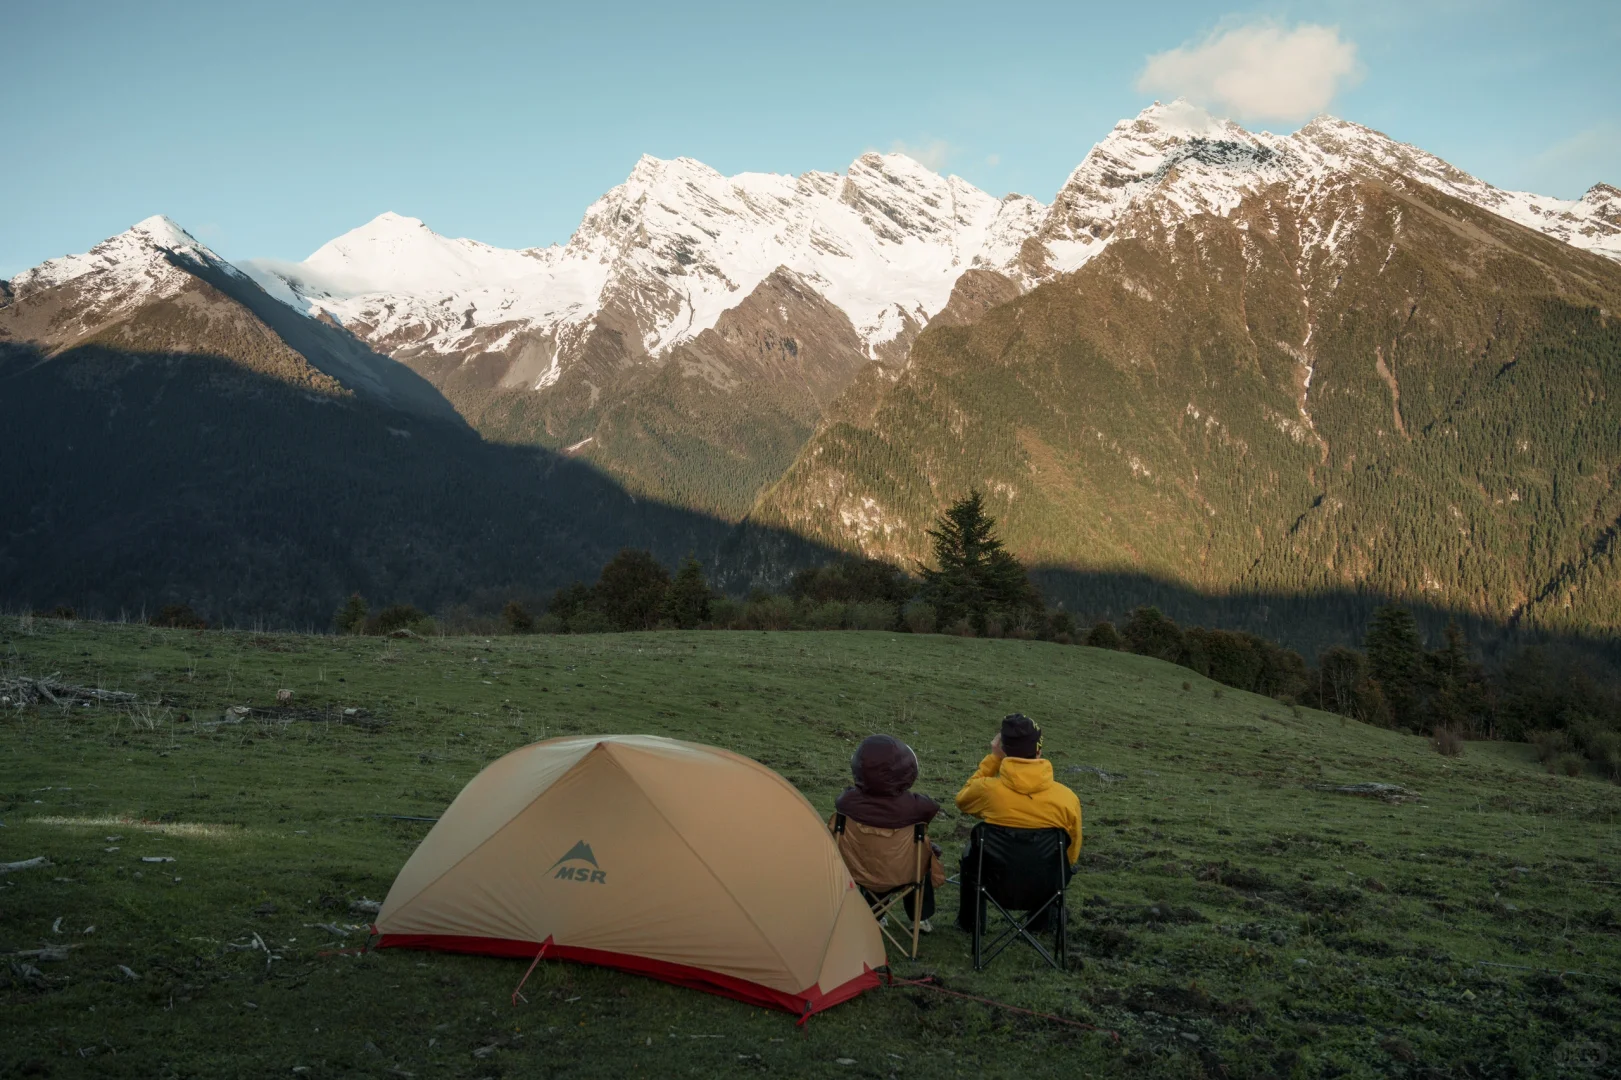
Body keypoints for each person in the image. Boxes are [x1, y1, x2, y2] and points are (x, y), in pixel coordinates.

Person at [954, 713, 1082, 931]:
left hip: (993, 885)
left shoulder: (987, 791)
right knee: (1055, 860)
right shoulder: (1067, 798)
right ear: (1038, 750)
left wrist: (994, 759)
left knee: (971, 851)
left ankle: (971, 923)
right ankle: (1041, 925)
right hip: (1045, 887)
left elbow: (962, 800)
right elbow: (1071, 853)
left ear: (1003, 749)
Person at [834, 735, 944, 930]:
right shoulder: (917, 807)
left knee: (877, 857)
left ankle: (874, 914)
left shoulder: (846, 802)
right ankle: (920, 918)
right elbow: (931, 806)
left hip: (859, 869)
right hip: (901, 873)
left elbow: (843, 800)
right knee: (919, 854)